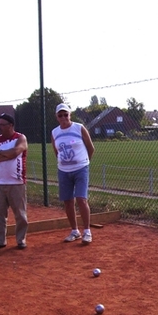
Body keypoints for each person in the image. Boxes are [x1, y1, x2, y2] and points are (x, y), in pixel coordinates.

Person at [51, 103, 95, 244]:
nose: (63, 117)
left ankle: (87, 231)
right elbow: (56, 151)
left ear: (70, 115)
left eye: (66, 114)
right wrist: (64, 163)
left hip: (81, 169)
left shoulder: (79, 128)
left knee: (81, 199)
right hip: (63, 171)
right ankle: (74, 231)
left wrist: (84, 162)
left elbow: (90, 148)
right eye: (60, 115)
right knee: (68, 202)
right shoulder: (54, 132)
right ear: (57, 117)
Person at [0, 113, 29, 251]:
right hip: (0, 183)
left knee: (20, 214)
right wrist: (6, 155)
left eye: (2, 125)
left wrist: (0, 155)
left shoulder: (20, 138)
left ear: (10, 125)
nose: (0, 128)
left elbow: (16, 151)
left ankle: (21, 240)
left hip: (17, 182)